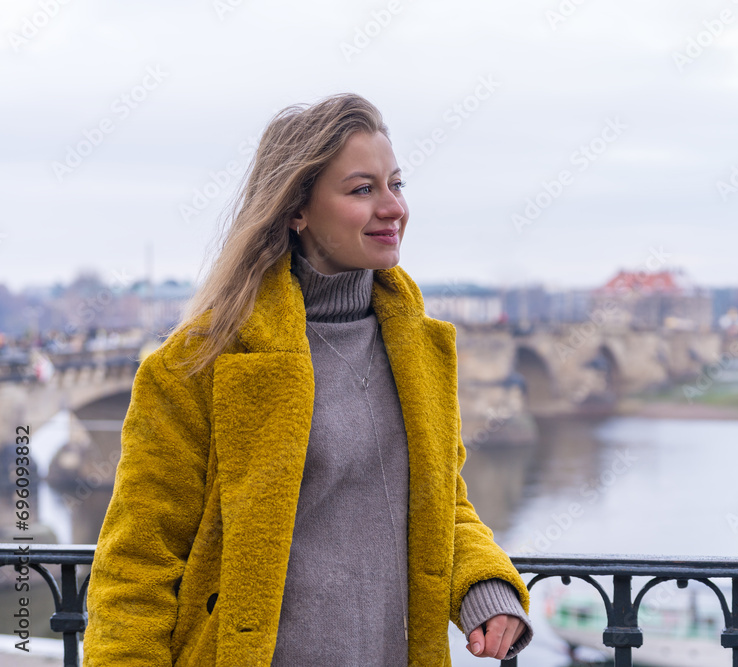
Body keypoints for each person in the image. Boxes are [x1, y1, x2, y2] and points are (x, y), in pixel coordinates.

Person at [82, 92, 533, 666]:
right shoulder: (197, 364)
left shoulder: (421, 350)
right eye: (362, 189)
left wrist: (484, 588)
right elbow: (137, 567)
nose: (393, 207)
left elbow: (442, 506)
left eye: (396, 184)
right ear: (296, 210)